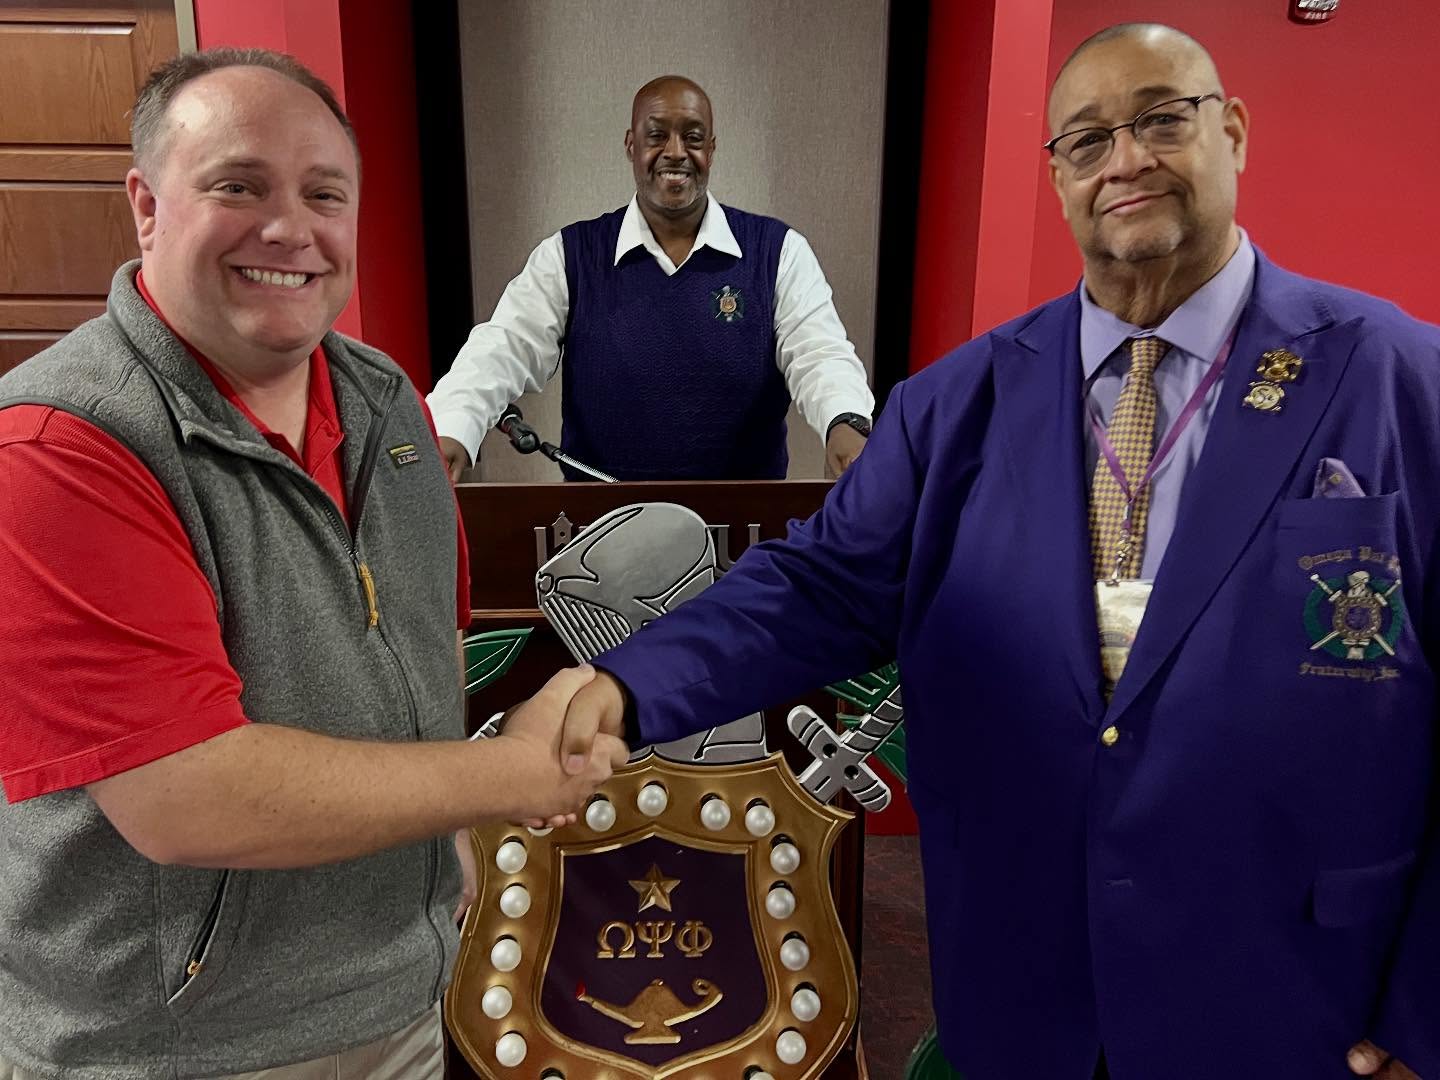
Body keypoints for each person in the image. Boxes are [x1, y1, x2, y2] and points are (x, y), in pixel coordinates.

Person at [552, 24, 1440, 1080]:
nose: (1126, 159)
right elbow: (818, 585)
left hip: (1294, 1000)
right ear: (1056, 175)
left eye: (1162, 118)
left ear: (1234, 132)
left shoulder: (1396, 378)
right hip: (1024, 990)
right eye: (1087, 138)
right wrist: (624, 682)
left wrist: (1427, 1005)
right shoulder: (955, 405)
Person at [0, 49, 624, 1080]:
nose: (289, 229)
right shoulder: (61, 450)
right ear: (147, 206)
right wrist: (502, 776)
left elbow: (423, 653)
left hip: (400, 1005)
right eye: (238, 187)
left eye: (323, 193)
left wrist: (450, 842)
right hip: (173, 1051)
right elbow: (186, 794)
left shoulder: (387, 406)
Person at [426, 74, 875, 483]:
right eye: (657, 135)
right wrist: (451, 428)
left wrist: (845, 420)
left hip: (744, 536)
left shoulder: (778, 252)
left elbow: (821, 354)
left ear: (712, 150)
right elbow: (501, 348)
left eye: (693, 137)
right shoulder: (570, 255)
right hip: (600, 536)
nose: (676, 152)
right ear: (631, 145)